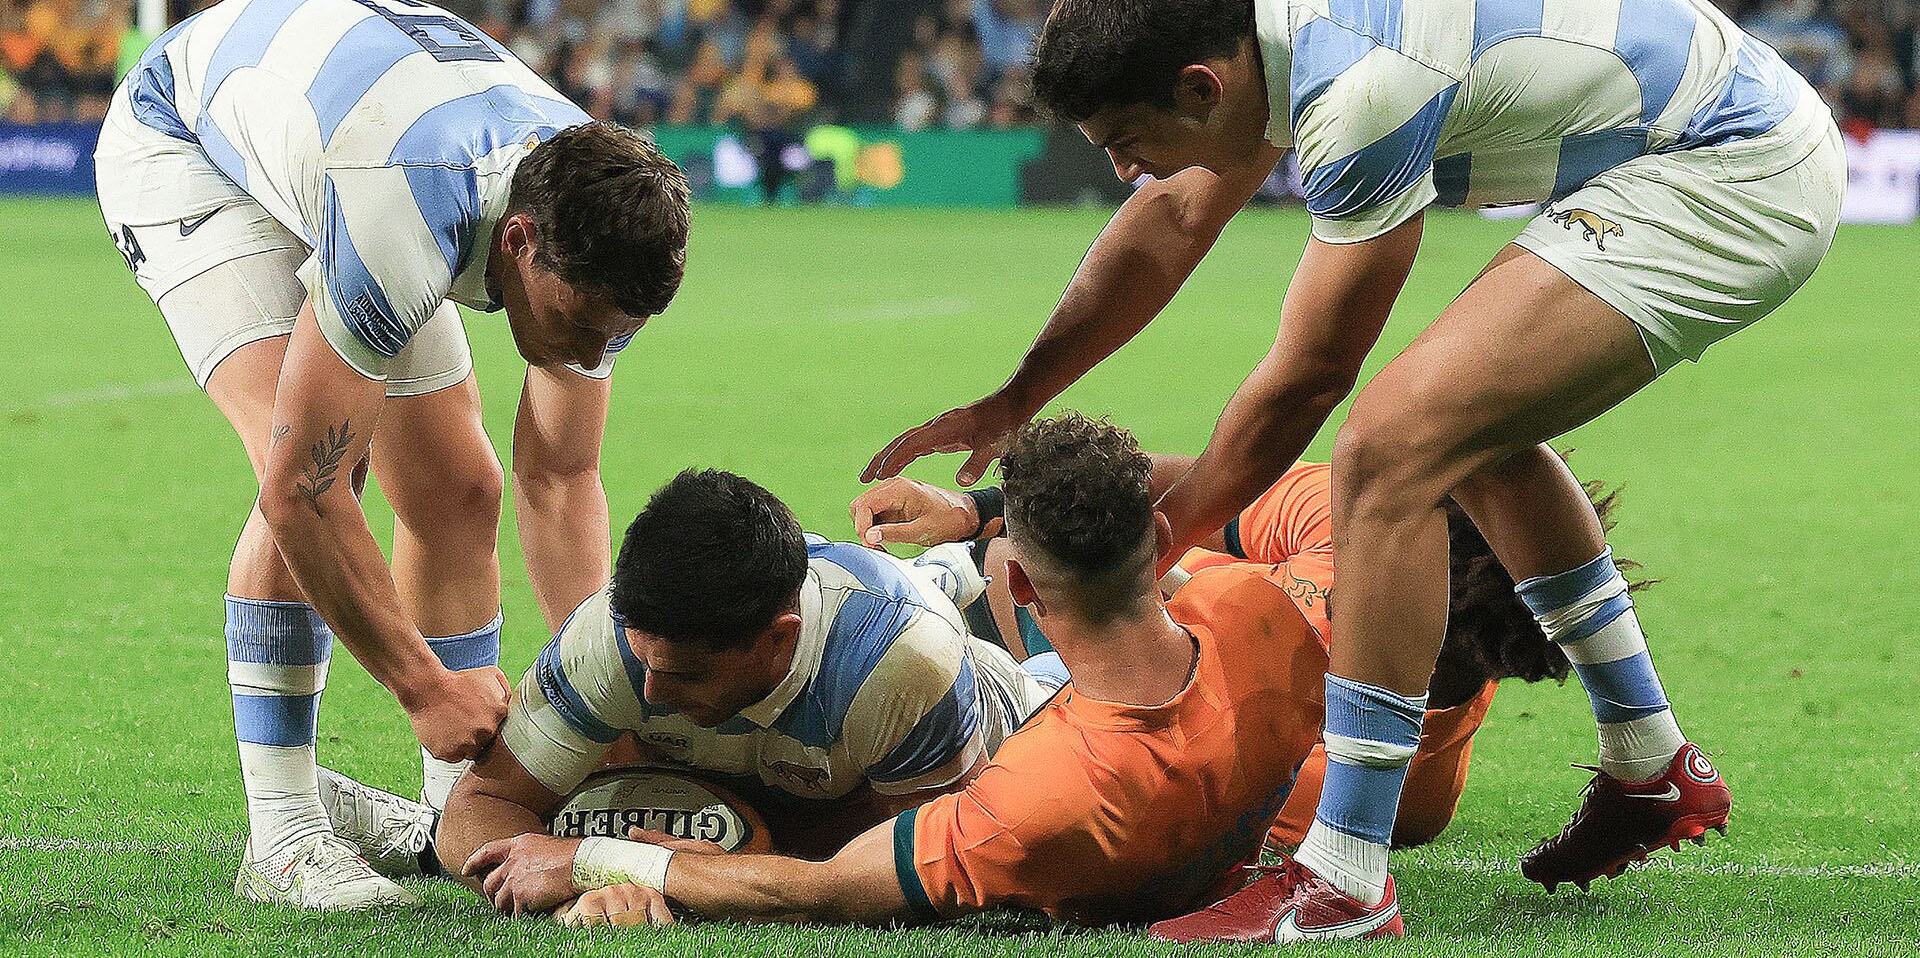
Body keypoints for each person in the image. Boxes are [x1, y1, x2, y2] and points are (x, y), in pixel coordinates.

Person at [861, 0, 1835, 938]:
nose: (1123, 168)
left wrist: (1157, 543)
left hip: (1733, 172)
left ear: (1201, 86)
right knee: (1470, 439)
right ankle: (1650, 763)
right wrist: (1018, 396)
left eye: (1128, 139)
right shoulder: (1271, 9)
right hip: (1700, 140)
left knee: (1387, 450)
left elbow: (1308, 378)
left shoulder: (1358, 79)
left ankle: (1347, 876)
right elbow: (1177, 212)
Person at [94, 0, 691, 910]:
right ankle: (284, 833)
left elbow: (562, 478)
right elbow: (304, 490)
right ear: (521, 242)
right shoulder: (405, 211)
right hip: (190, 144)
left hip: (351, 140)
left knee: (461, 488)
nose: (586, 353)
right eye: (577, 323)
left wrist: (608, 706)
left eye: (613, 336)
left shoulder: (593, 208)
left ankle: (457, 808)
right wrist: (424, 685)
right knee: (325, 464)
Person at [462, 414, 1346, 931]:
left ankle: (951, 577)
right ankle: (952, 572)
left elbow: (831, 885)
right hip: (1044, 657)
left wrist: (595, 857)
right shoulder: (1281, 618)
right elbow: (1344, 505)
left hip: (1003, 695)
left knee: (968, 660)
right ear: (1161, 539)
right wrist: (979, 511)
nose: (652, 690)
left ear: (1025, 577)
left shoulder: (1029, 792)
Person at [853, 448, 1612, 856]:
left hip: (1048, 701)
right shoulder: (1358, 523)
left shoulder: (1367, 784)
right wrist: (973, 509)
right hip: (1033, 597)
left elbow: (1109, 790)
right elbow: (1202, 483)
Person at [430, 468, 1054, 914]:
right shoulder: (613, 639)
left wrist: (638, 865)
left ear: (778, 640)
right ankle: (945, 570)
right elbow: (479, 805)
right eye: (643, 662)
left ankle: (966, 571)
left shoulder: (899, 667)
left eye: (685, 675)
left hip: (1012, 709)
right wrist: (566, 887)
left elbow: (895, 883)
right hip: (814, 774)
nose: (650, 691)